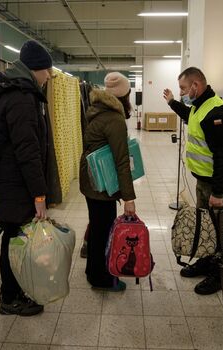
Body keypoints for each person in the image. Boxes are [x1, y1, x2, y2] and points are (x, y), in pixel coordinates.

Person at [0, 40, 53, 316]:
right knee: (14, 240)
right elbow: (28, 151)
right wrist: (39, 194)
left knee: (13, 237)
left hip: (5, 179)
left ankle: (10, 291)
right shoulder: (21, 98)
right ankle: (10, 298)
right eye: (46, 71)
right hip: (15, 183)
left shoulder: (8, 91)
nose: (48, 76)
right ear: (35, 69)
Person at [163, 67, 223, 295]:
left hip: (221, 185)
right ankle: (206, 262)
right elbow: (191, 117)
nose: (182, 93)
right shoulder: (201, 107)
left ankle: (218, 275)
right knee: (207, 225)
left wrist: (218, 193)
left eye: (183, 88)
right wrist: (172, 103)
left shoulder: (216, 113)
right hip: (206, 182)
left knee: (220, 228)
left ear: (196, 86)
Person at [80, 72, 136, 292]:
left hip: (91, 179)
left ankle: (92, 271)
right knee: (103, 230)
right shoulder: (114, 118)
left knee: (97, 227)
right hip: (102, 183)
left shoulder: (95, 109)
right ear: (124, 95)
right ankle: (101, 279)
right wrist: (129, 197)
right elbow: (121, 161)